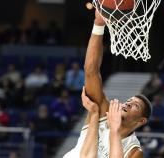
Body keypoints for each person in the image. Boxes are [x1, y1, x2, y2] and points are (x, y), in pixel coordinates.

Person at [64, 11, 152, 158]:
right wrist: (98, 25)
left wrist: (114, 130)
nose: (128, 104)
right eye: (129, 101)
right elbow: (91, 71)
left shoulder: (134, 151)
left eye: (135, 106)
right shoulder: (102, 112)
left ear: (141, 121)